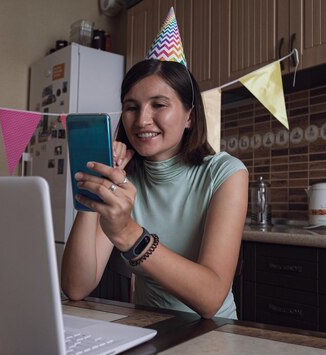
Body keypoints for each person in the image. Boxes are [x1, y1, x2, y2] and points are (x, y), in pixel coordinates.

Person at [61, 58, 248, 319]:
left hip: (211, 333)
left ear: (190, 117)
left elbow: (211, 298)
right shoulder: (125, 180)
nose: (142, 120)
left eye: (158, 105)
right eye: (131, 107)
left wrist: (129, 234)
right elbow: (76, 287)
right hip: (147, 329)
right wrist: (96, 183)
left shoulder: (226, 172)